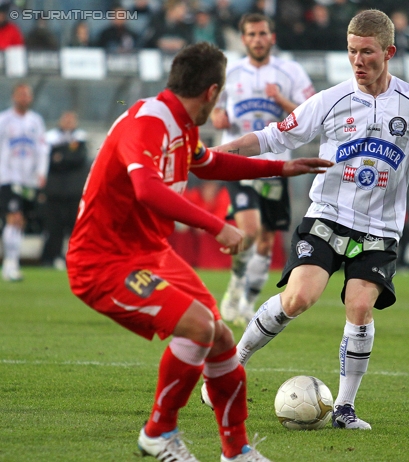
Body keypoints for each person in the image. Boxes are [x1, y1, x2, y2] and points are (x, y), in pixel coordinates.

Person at [211, 9, 409, 430]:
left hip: (380, 228)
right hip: (328, 216)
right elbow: (275, 136)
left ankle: (345, 408)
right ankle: (230, 366)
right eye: (351, 52)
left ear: (389, 52)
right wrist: (215, 157)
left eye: (367, 52)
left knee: (360, 306)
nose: (358, 61)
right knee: (298, 299)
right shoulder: (330, 100)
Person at [65, 42, 331, 462]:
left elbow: (210, 163)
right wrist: (215, 224)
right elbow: (146, 188)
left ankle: (236, 451)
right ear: (211, 92)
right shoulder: (149, 121)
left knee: (221, 338)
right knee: (199, 326)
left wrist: (281, 166)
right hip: (103, 261)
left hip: (149, 252)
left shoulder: (181, 123)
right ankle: (158, 433)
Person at [212, 13, 315, 327]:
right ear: (243, 39)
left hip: (275, 167)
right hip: (239, 164)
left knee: (267, 241)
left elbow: (311, 114)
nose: (257, 39)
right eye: (251, 34)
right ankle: (234, 285)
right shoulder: (229, 70)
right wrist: (217, 114)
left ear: (272, 37)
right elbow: (216, 103)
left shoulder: (291, 71)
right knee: (251, 230)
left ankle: (245, 304)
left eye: (262, 34)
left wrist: (281, 99)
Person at [0, 83, 49, 282]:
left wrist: (41, 172)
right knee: (14, 217)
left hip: (29, 180)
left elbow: (42, 149)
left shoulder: (36, 121)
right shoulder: (4, 119)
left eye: (27, 95)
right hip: (8, 177)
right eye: (20, 94)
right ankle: (10, 264)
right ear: (14, 97)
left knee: (21, 221)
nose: (24, 98)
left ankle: (12, 262)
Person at [40, 111, 89, 270]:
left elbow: (78, 159)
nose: (68, 123)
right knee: (53, 227)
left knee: (75, 227)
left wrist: (62, 158)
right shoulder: (51, 138)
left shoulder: (81, 138)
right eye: (65, 119)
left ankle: (76, 259)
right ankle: (50, 258)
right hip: (54, 192)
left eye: (71, 120)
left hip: (74, 192)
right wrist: (66, 158)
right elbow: (50, 161)